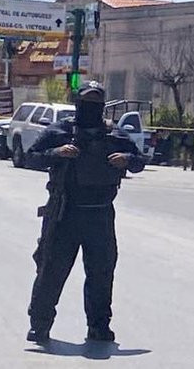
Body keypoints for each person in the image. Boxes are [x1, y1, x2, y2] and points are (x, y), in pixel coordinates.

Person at [25, 82, 145, 344]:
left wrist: (127, 159)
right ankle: (40, 324)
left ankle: (99, 327)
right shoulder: (61, 131)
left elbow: (140, 161)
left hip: (100, 215)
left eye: (96, 103)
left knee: (101, 274)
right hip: (65, 212)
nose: (90, 108)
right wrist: (56, 152)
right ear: (78, 104)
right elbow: (31, 156)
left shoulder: (115, 135)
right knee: (52, 270)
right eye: (86, 103)